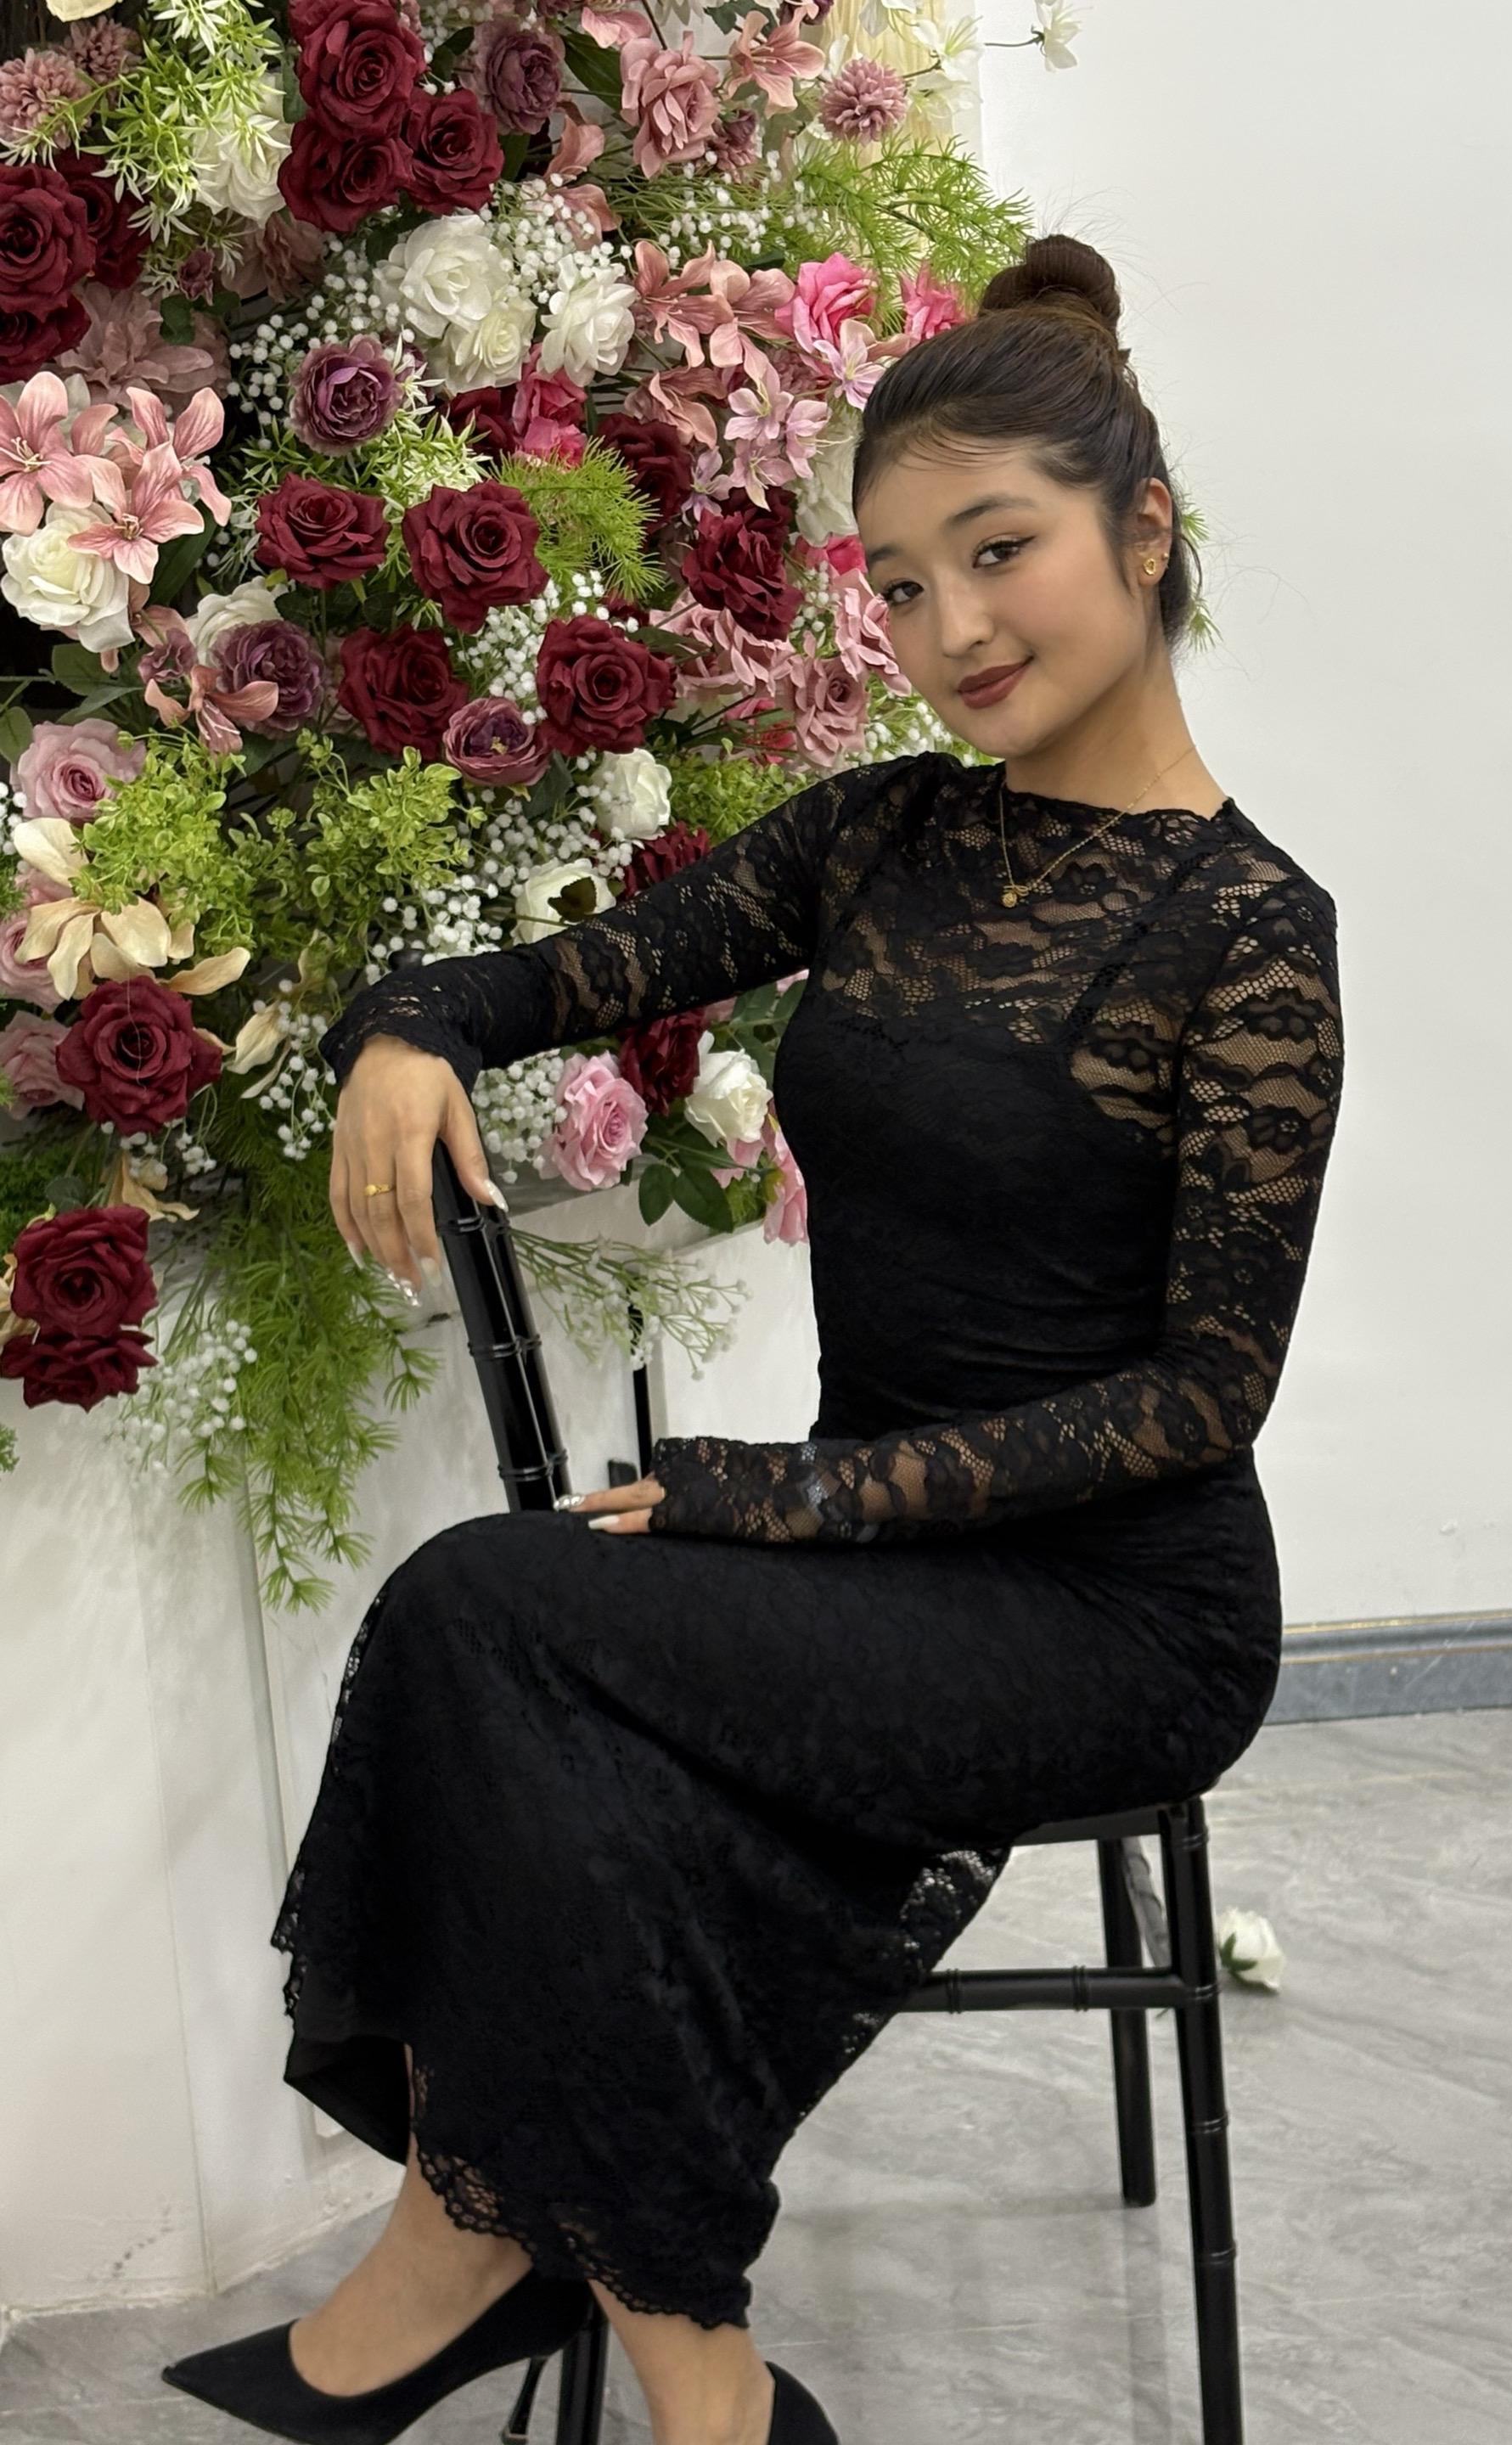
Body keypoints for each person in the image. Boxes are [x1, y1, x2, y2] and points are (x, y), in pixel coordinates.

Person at [160, 232, 1346, 2445]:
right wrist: (413, 1031)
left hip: (1110, 1610)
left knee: (494, 1616)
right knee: (507, 1658)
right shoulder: (880, 836)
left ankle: (518, 2278)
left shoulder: (1253, 933)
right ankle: (613, 2316)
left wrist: (780, 1500)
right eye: (895, 584)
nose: (948, 627)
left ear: (1144, 532)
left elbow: (1204, 1397)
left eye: (996, 552)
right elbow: (574, 973)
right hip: (878, 1561)